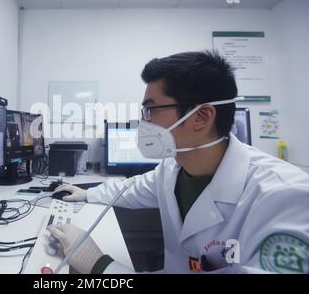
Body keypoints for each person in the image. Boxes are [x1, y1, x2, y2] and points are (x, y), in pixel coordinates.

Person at [47, 50, 309, 274]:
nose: (144, 122)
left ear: (201, 116)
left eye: (151, 110)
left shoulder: (285, 198)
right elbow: (132, 188)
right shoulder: (173, 169)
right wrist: (87, 193)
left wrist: (100, 266)